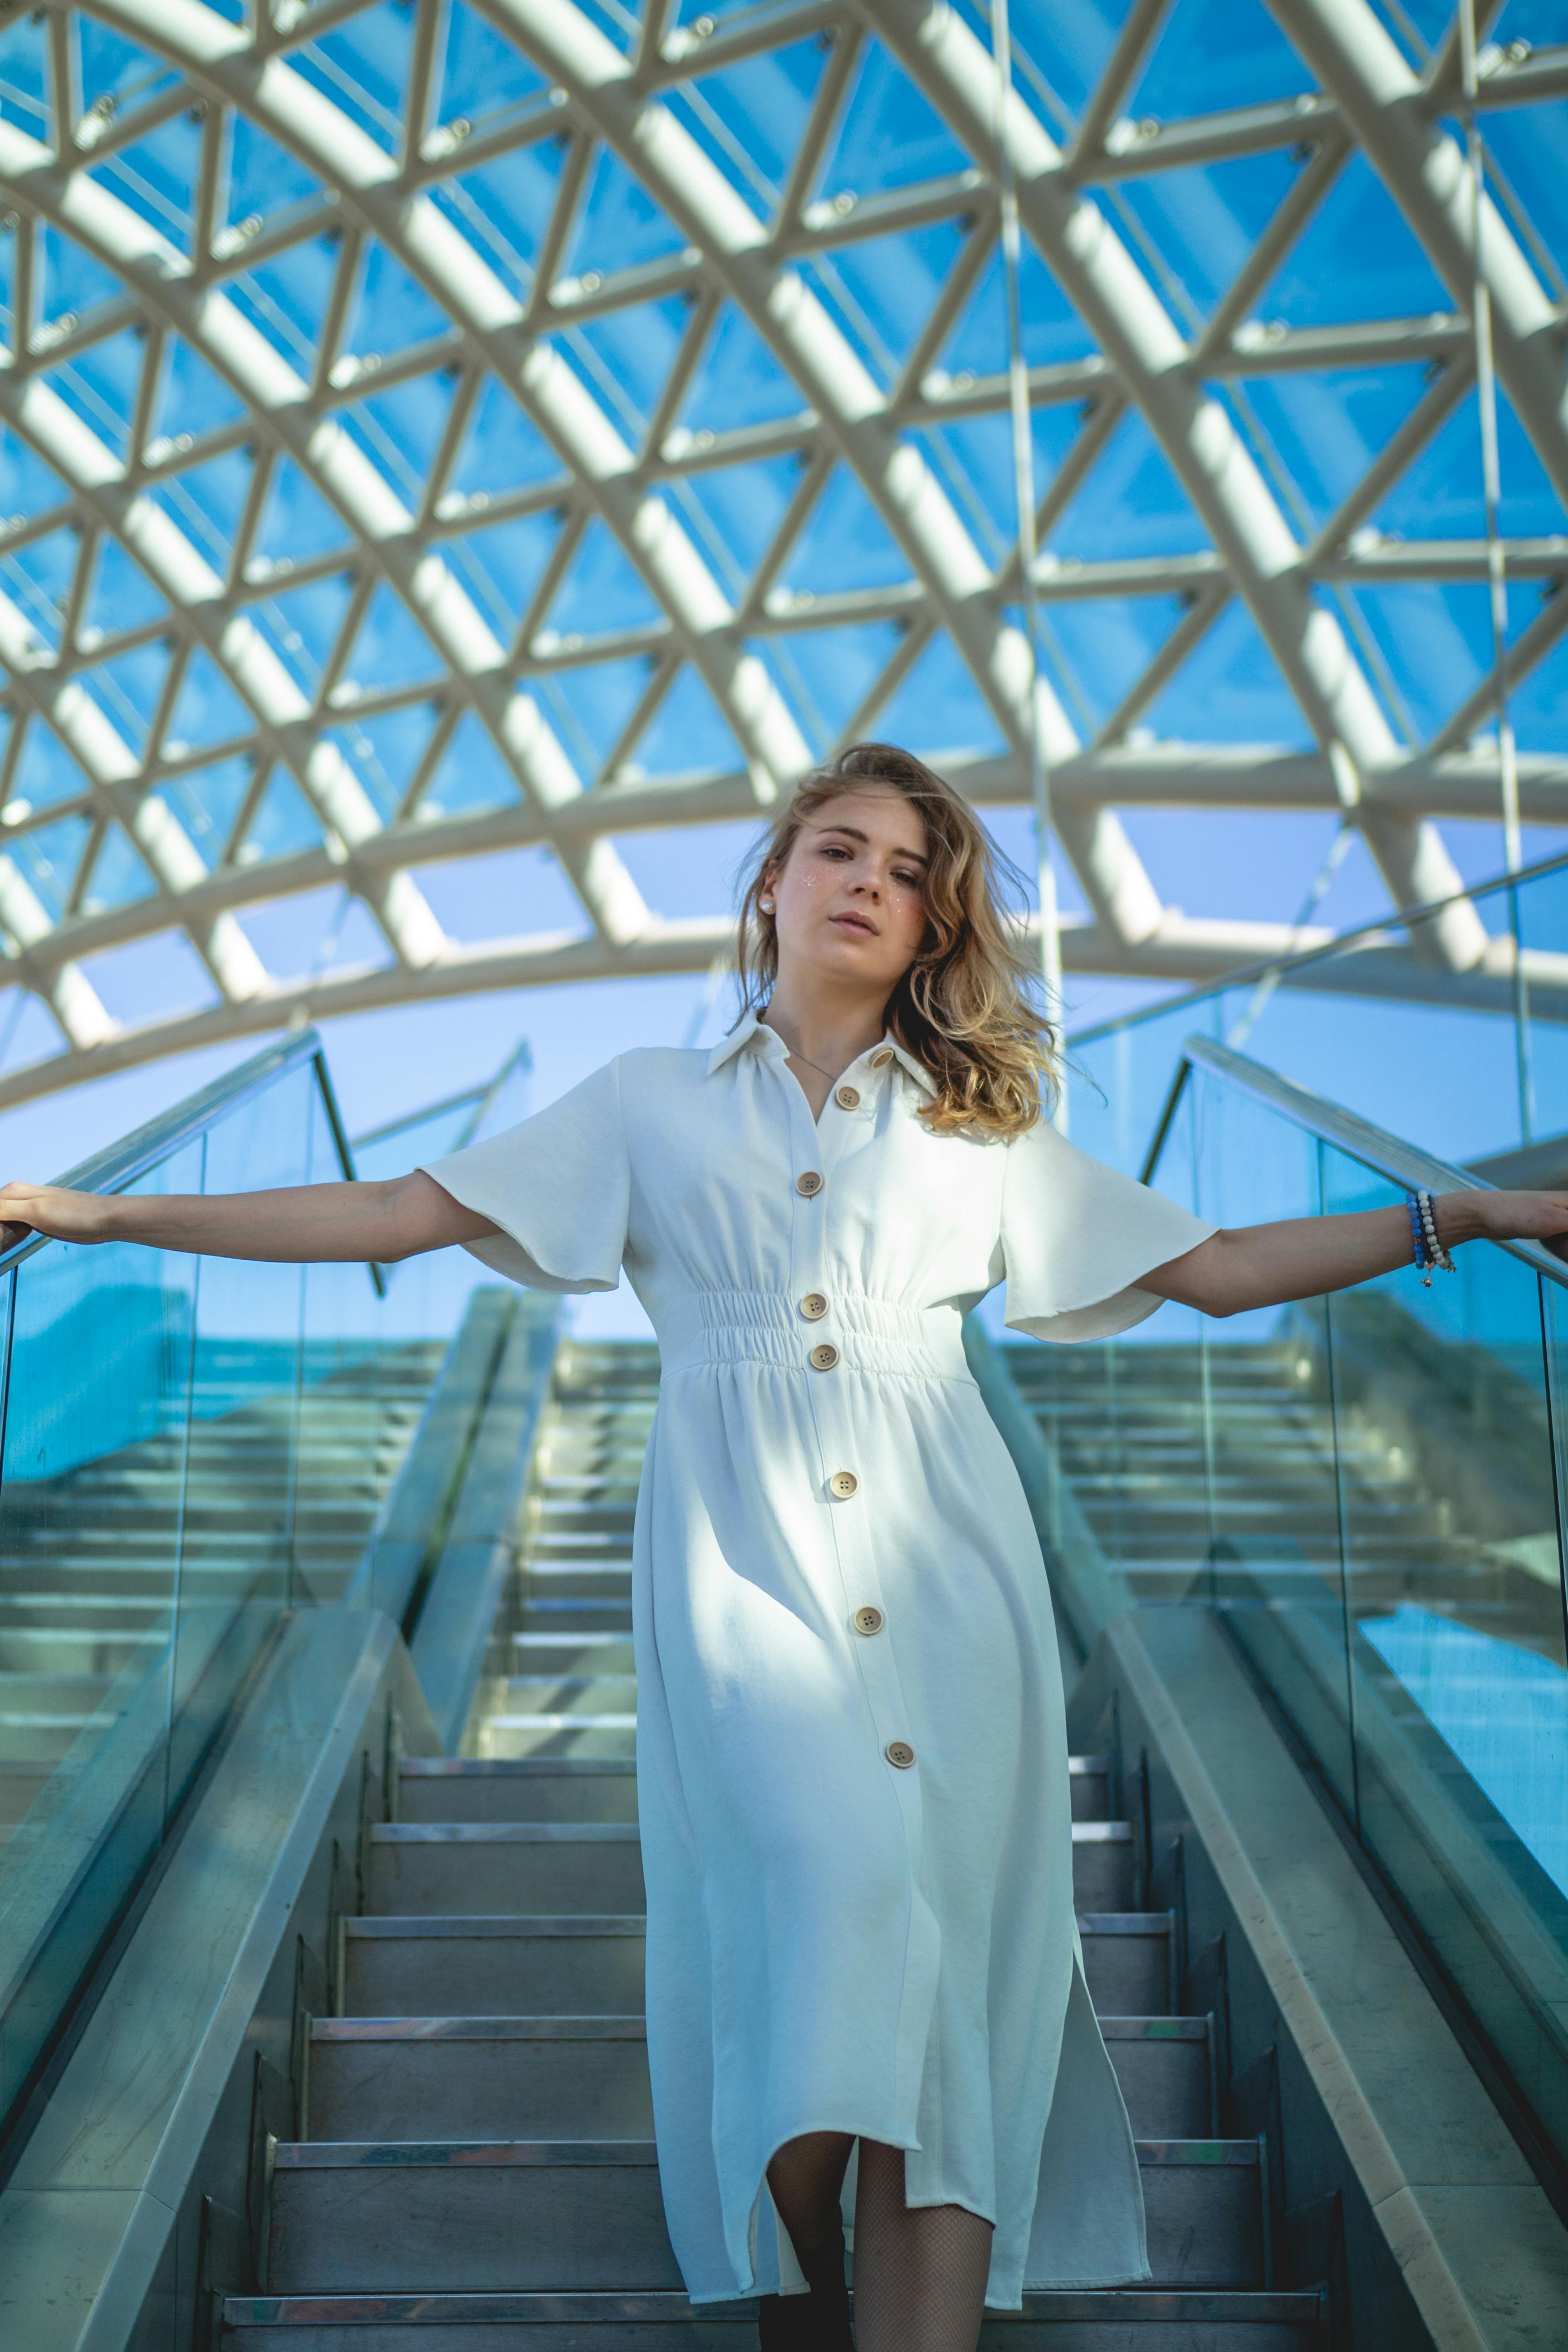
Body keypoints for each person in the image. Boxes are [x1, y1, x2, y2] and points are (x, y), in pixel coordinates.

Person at [5, 743, 1564, 2352]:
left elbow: (1222, 1265)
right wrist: (95, 1214)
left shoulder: (978, 1139)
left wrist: (1471, 1218)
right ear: (773, 880)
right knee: (825, 1911)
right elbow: (403, 1212)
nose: (871, 887)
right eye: (842, 851)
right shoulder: (647, 1105)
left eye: (907, 876)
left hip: (956, 1581)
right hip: (739, 1579)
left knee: (950, 2007)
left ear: (931, 929)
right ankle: (798, 2311)